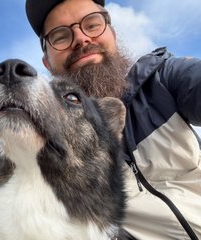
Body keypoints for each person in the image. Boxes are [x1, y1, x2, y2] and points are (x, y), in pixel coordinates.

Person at [25, 0, 201, 239]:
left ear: (112, 34)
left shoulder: (162, 78)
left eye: (92, 24)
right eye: (60, 36)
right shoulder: (45, 146)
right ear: (47, 63)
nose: (81, 38)